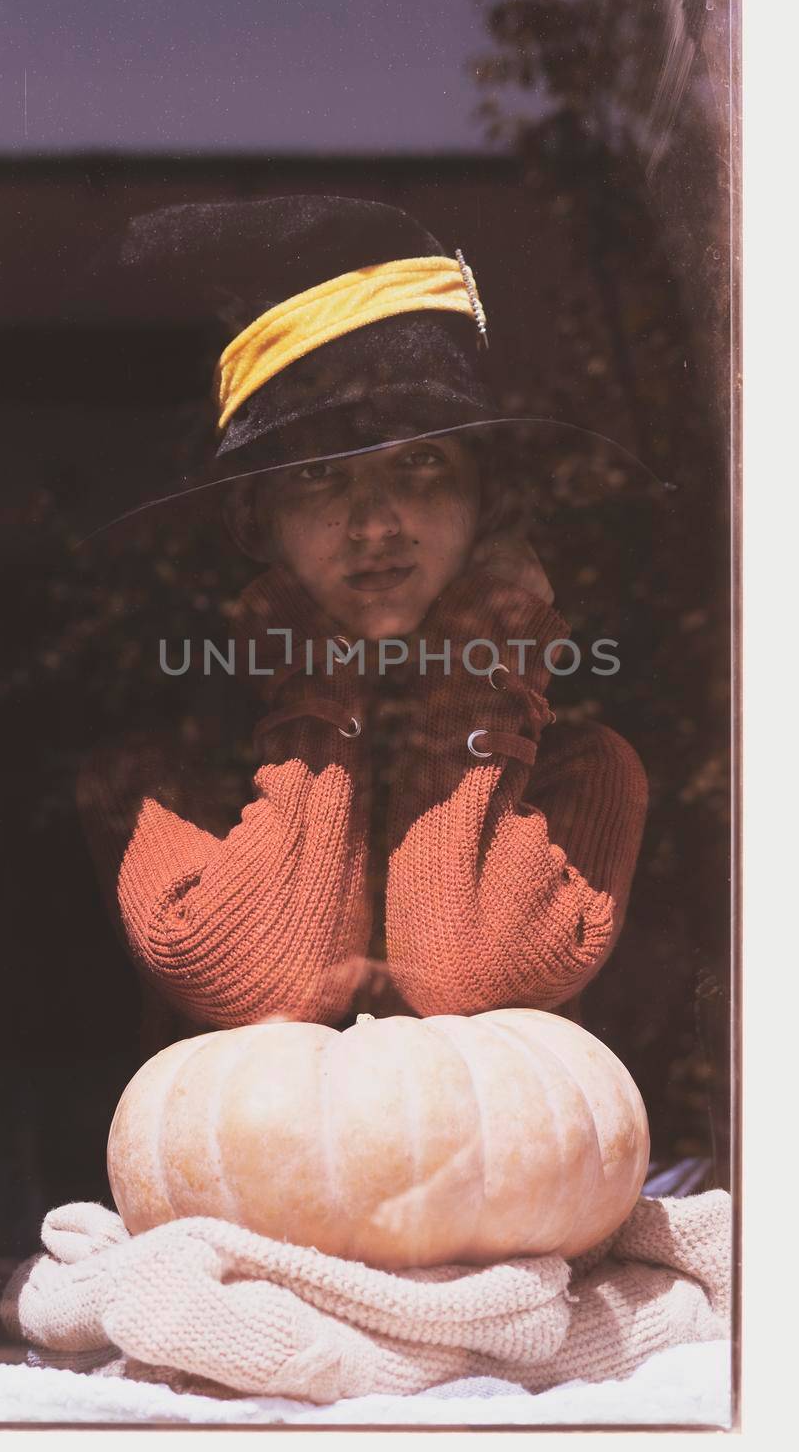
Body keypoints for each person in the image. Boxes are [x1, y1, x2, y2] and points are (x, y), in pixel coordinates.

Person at [74, 194, 653, 1056]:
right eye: (316, 475)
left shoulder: (584, 773)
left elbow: (470, 975)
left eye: (421, 463)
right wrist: (314, 668)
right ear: (255, 520)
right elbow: (259, 979)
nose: (375, 523)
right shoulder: (162, 777)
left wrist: (479, 656)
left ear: (487, 503)